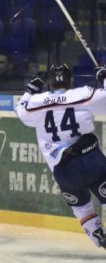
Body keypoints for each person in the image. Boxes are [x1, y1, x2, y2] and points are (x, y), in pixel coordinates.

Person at [15, 65, 106, 250]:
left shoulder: (36, 102)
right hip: (90, 160)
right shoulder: (84, 93)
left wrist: (30, 92)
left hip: (64, 170)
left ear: (50, 82)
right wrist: (104, 76)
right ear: (70, 80)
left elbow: (20, 112)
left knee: (82, 208)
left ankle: (99, 238)